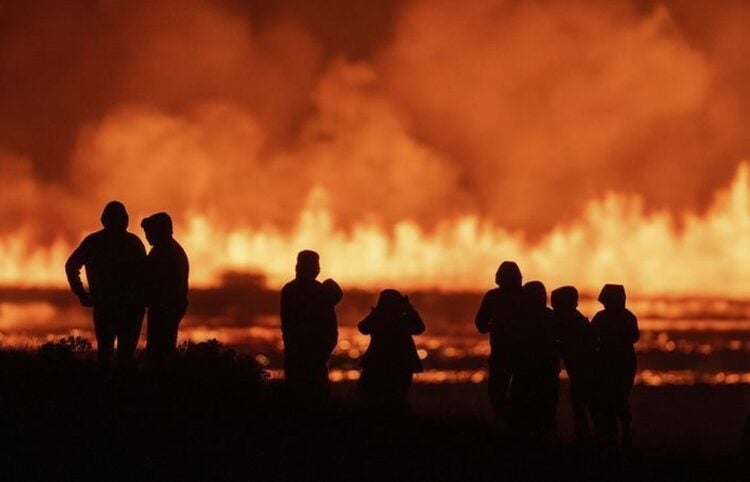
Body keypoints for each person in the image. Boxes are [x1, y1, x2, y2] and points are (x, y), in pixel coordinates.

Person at [65, 201, 146, 365]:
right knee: (125, 357)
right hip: (130, 309)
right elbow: (145, 276)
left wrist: (81, 292)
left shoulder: (93, 242)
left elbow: (71, 265)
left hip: (106, 307)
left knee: (105, 355)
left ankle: (105, 387)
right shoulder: (134, 243)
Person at [280, 250, 342, 402]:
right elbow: (328, 324)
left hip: (297, 354)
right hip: (312, 355)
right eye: (315, 265)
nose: (318, 269)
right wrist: (325, 349)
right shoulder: (318, 291)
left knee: (297, 398)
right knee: (315, 397)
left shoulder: (289, 289)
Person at [356, 289, 425, 411]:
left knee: (375, 399)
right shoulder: (401, 320)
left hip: (379, 364)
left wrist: (377, 311)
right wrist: (409, 308)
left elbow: (363, 327)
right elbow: (419, 327)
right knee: (396, 399)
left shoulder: (380, 319)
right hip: (400, 365)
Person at [508, 280, 560, 440]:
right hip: (545, 373)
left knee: (523, 413)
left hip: (528, 372)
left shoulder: (519, 318)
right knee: (545, 414)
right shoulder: (551, 317)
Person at [590, 284, 640, 448]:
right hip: (622, 362)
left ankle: (615, 438)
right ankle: (620, 437)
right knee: (618, 401)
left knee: (614, 401)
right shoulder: (628, 317)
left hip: (614, 363)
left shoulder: (602, 317)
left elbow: (591, 337)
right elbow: (635, 337)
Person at [475, 261, 523, 421]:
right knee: (518, 395)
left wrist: (495, 324)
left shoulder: (493, 296)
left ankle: (507, 424)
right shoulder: (525, 296)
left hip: (501, 354)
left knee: (497, 394)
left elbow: (481, 324)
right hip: (521, 355)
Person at [141, 212, 189, 364]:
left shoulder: (164, 252)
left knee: (158, 351)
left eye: (149, 232)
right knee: (163, 349)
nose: (147, 237)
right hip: (169, 307)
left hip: (165, 308)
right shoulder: (168, 249)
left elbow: (153, 279)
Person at [551, 285, 594, 441]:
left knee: (582, 407)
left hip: (584, 372)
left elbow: (571, 347)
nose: (553, 309)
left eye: (556, 305)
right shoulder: (572, 319)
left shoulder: (575, 323)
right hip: (579, 371)